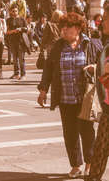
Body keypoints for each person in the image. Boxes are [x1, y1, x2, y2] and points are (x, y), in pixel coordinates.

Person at [37, 12, 101, 178]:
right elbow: (48, 69)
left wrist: (95, 67)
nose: (64, 30)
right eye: (62, 27)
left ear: (78, 28)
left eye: (68, 27)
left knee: (87, 132)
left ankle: (90, 163)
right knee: (70, 133)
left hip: (84, 98)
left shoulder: (91, 44)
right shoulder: (57, 46)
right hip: (65, 97)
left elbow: (103, 64)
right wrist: (43, 90)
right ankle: (75, 165)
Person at [86, 43, 109, 181]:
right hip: (107, 106)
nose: (102, 21)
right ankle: (94, 177)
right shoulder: (106, 48)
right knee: (100, 146)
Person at [6, 6, 28, 80]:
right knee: (15, 59)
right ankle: (16, 73)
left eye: (16, 11)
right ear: (10, 12)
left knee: (21, 59)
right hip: (12, 41)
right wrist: (14, 31)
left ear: (18, 11)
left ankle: (23, 74)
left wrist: (21, 29)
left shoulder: (22, 19)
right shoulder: (9, 20)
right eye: (13, 11)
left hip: (21, 41)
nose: (14, 13)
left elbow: (27, 29)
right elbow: (7, 31)